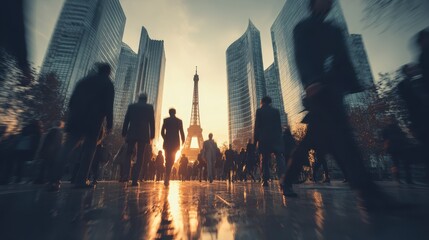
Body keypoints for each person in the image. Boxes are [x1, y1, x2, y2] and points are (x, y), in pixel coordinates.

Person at [285, 0, 389, 209]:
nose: (328, 3)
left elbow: (344, 59)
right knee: (341, 136)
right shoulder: (303, 27)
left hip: (335, 90)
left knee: (319, 140)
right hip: (318, 91)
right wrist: (310, 81)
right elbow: (301, 57)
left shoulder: (335, 29)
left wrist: (355, 85)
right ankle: (368, 192)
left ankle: (287, 179)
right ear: (313, 4)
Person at [122, 93, 155, 187]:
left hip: (132, 132)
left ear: (138, 98)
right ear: (146, 99)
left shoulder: (132, 106)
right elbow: (152, 122)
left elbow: (126, 119)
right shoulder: (149, 107)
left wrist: (124, 132)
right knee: (140, 156)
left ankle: (125, 174)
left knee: (128, 154)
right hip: (143, 134)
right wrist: (152, 135)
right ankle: (135, 179)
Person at [254, 96, 287, 188]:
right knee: (279, 158)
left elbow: (257, 127)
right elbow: (279, 126)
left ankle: (265, 180)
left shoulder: (259, 111)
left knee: (264, 160)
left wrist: (255, 141)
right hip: (276, 138)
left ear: (262, 102)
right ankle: (283, 179)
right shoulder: (276, 111)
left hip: (264, 139)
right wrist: (280, 139)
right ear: (270, 102)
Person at [382, 119, 413, 184]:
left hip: (393, 149)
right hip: (401, 148)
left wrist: (386, 149)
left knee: (396, 164)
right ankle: (408, 179)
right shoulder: (397, 128)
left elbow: (385, 140)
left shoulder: (386, 129)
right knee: (405, 163)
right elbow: (403, 136)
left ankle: (398, 179)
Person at [161, 108, 185, 186]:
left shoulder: (166, 120)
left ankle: (167, 175)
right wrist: (183, 140)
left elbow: (162, 132)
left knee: (167, 159)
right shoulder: (179, 121)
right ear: (175, 113)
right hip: (175, 143)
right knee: (172, 160)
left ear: (169, 113)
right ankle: (167, 175)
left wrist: (165, 138)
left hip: (167, 143)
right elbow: (181, 131)